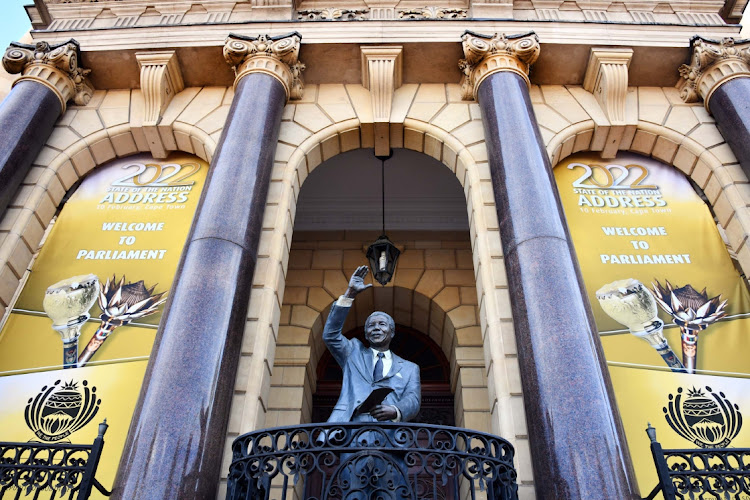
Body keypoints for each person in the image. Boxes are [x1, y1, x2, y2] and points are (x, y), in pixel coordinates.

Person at [323, 265, 421, 423]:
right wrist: (350, 293)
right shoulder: (352, 353)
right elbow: (330, 335)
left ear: (392, 332)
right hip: (349, 433)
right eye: (371, 325)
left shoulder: (410, 369)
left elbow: (413, 400)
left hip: (390, 437)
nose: (376, 328)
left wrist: (395, 410)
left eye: (382, 324)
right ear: (366, 335)